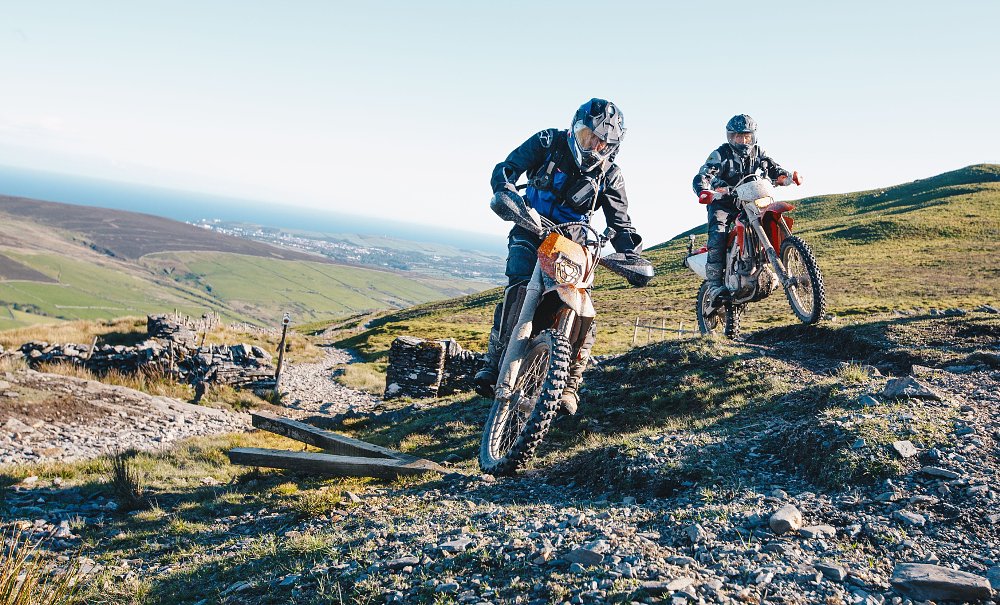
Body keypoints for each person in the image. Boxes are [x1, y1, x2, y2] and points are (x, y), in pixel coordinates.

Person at [474, 98, 645, 414]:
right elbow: (507, 168)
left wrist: (631, 254)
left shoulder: (611, 175)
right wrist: (506, 190)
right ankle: (494, 359)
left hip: (572, 242)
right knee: (519, 284)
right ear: (575, 128)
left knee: (583, 307)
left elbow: (621, 223)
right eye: (588, 137)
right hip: (530, 224)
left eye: (603, 143)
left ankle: (568, 385)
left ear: (613, 147)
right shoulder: (548, 141)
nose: (593, 146)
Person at [692, 114, 801, 303]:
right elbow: (705, 173)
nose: (742, 140)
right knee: (718, 233)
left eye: (746, 136)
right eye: (738, 136)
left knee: (767, 217)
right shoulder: (720, 154)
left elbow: (772, 167)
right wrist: (704, 189)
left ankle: (776, 264)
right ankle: (714, 285)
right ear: (730, 137)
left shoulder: (758, 152)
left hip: (751, 200)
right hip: (724, 202)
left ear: (753, 136)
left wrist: (784, 176)